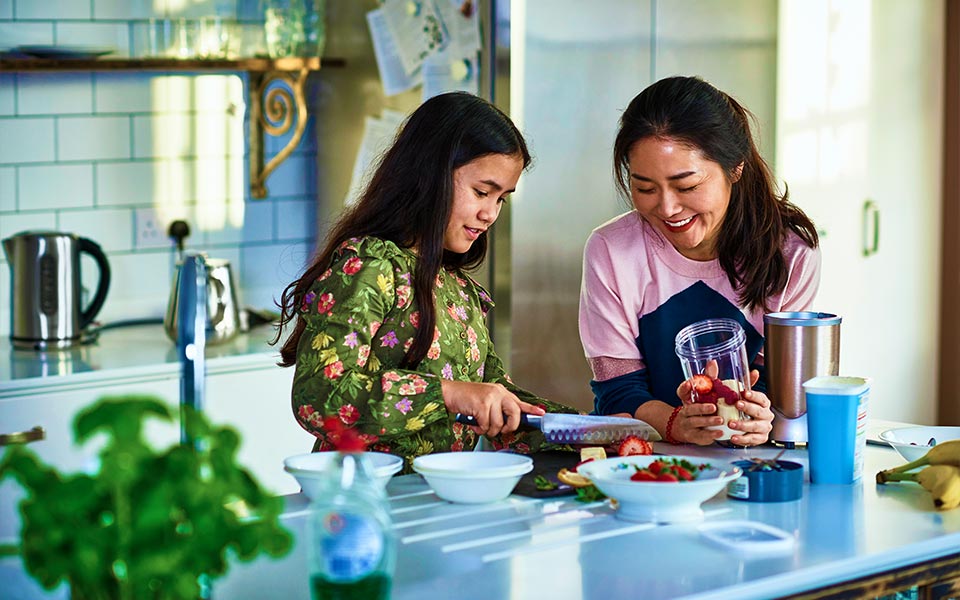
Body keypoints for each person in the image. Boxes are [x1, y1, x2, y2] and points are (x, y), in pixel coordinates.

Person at [276, 92, 579, 468]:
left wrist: (591, 430)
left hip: (434, 503)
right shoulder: (370, 268)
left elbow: (497, 401)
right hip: (363, 502)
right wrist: (449, 394)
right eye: (482, 192)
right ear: (430, 174)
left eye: (502, 199)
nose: (490, 214)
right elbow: (319, 397)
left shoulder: (458, 289)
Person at [578, 76, 821, 447]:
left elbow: (783, 395)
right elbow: (617, 393)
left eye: (687, 186)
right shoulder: (611, 251)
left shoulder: (791, 254)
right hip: (646, 464)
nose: (668, 208)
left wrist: (762, 419)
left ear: (735, 167)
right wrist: (676, 422)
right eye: (644, 188)